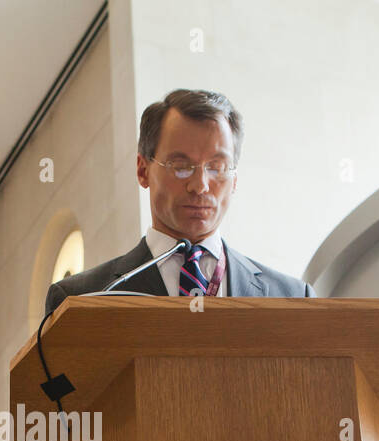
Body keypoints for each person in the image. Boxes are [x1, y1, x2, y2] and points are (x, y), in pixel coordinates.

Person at [45, 88, 315, 315]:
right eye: (180, 166)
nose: (200, 185)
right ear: (143, 170)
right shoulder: (81, 299)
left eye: (217, 167)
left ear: (234, 179)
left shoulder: (292, 299)